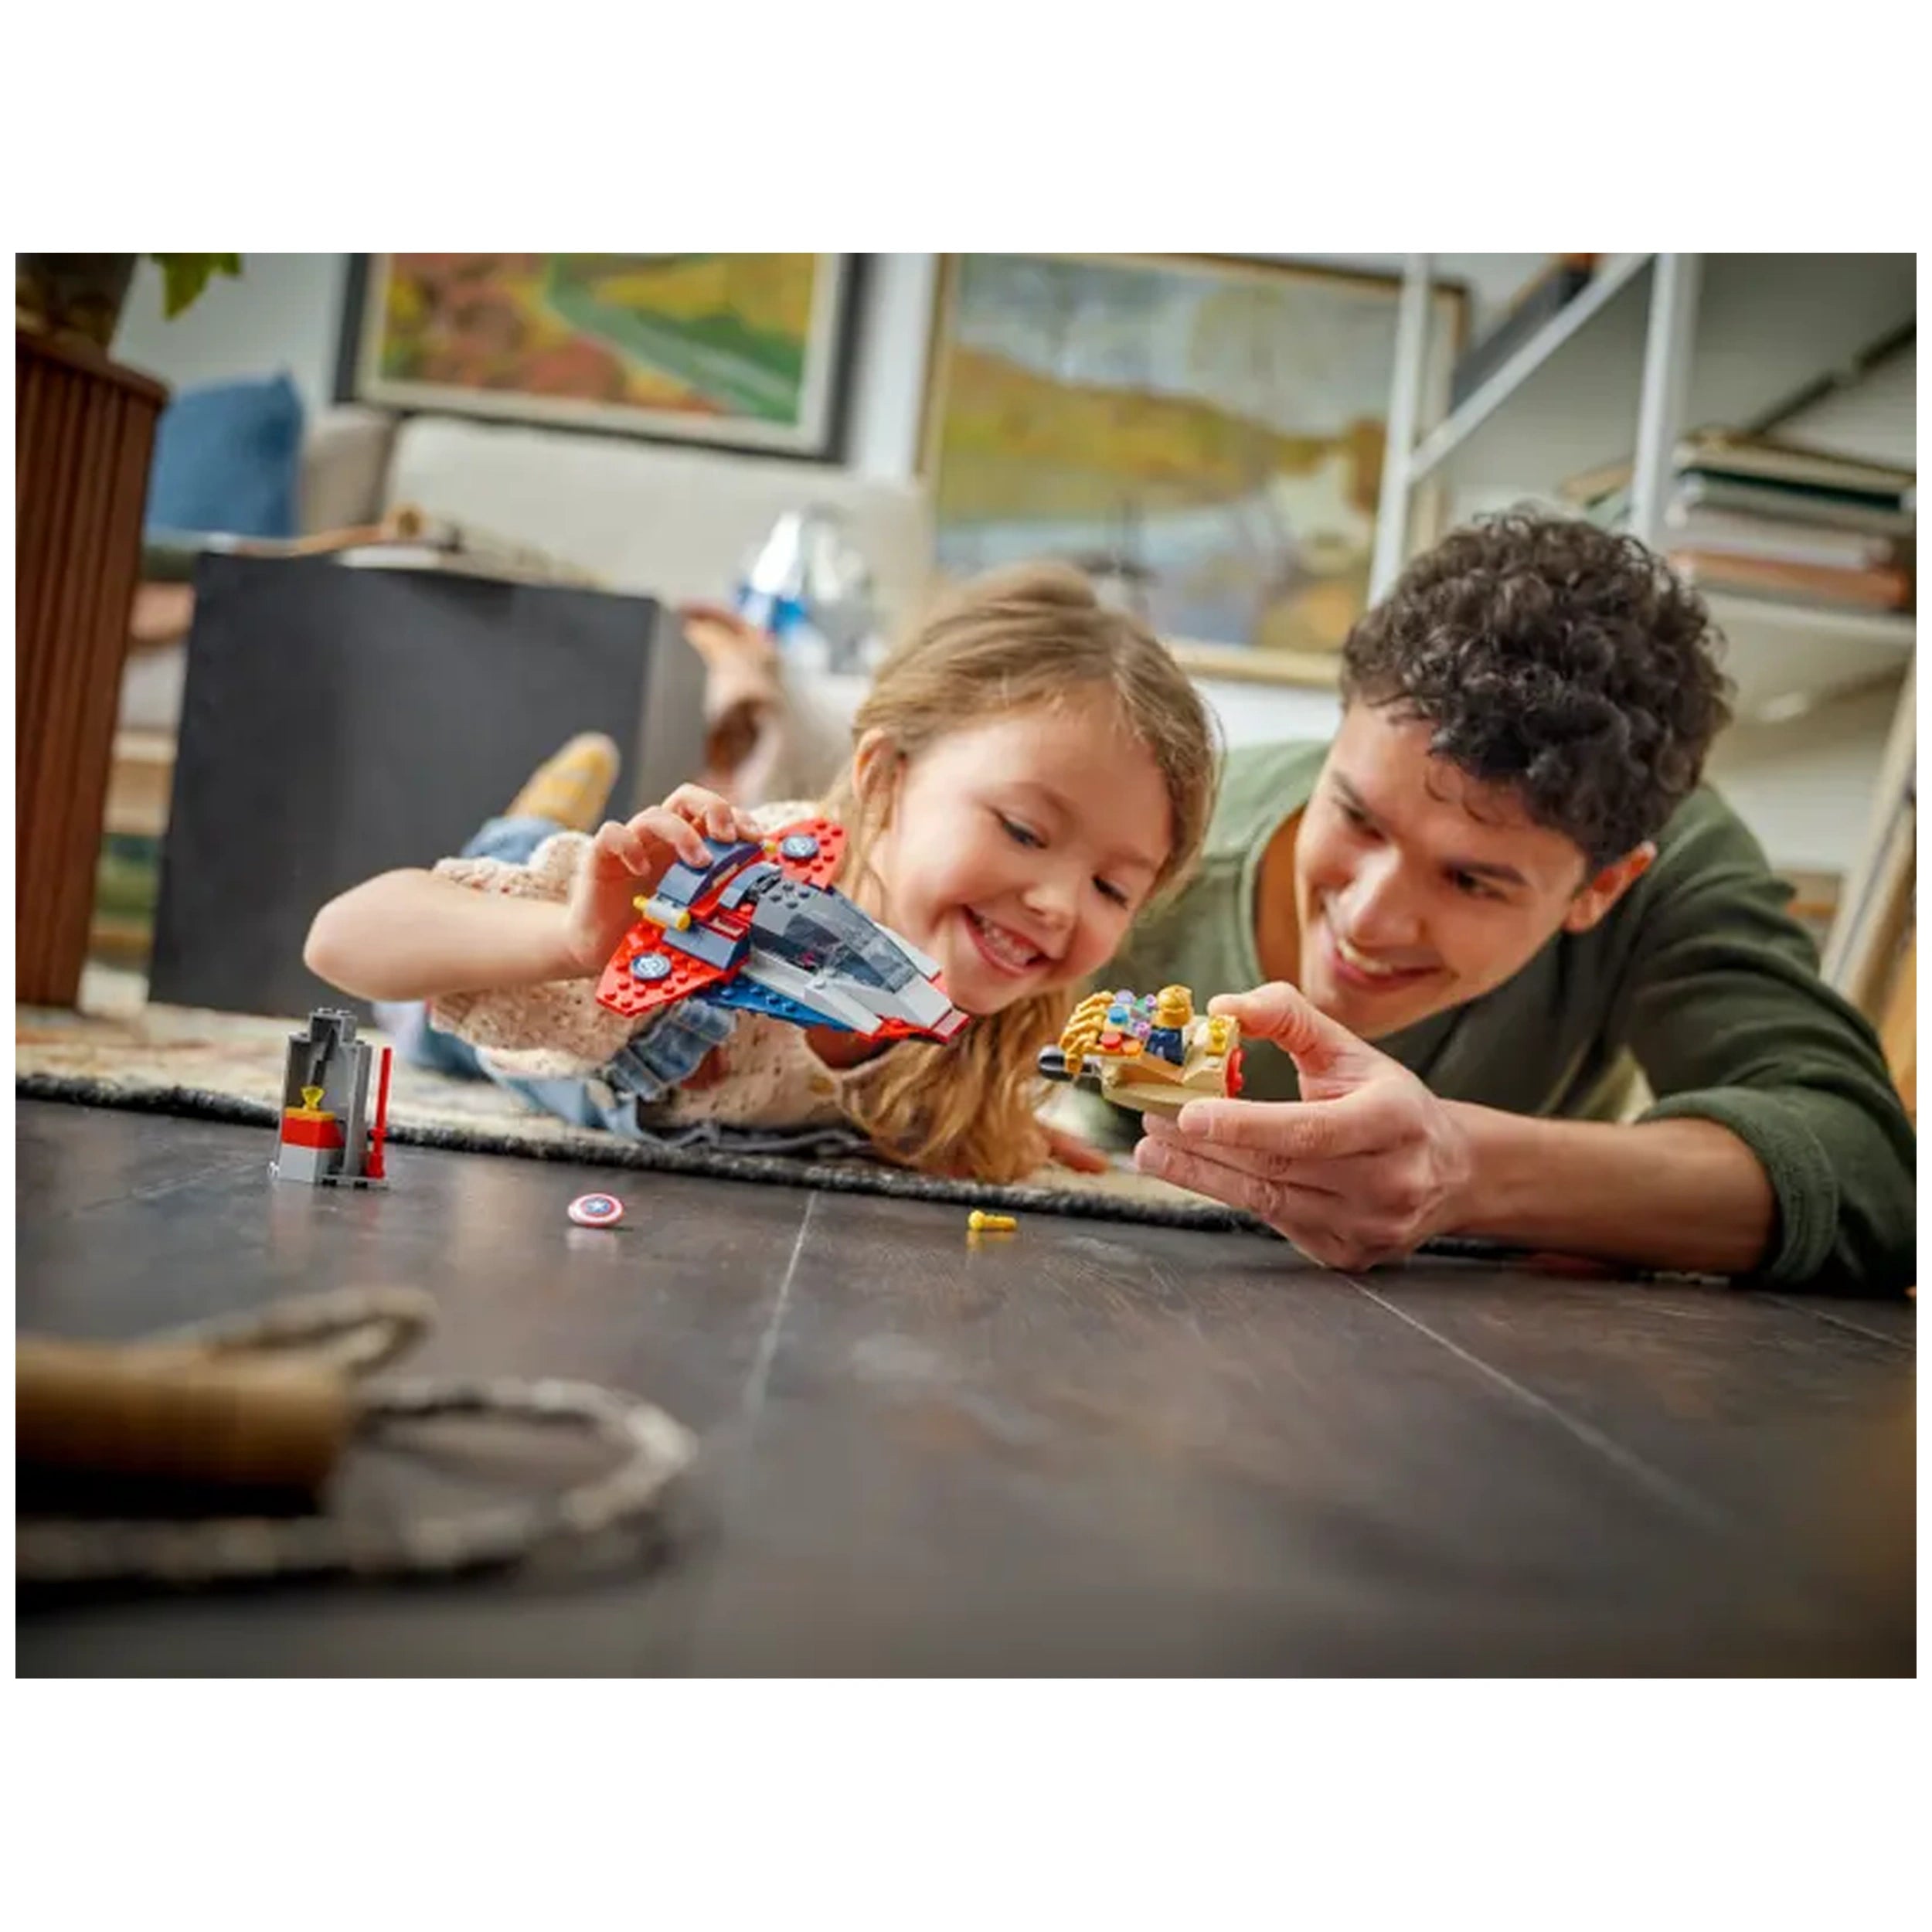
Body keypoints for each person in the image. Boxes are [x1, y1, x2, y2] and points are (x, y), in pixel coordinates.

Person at [1100, 513, 1915, 1292]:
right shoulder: (1147, 837)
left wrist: (1466, 1167)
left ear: (1603, 888)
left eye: (1470, 880)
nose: (1371, 919)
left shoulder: (1676, 857)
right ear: (1341, 733)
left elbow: (1871, 1178)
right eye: (1356, 815)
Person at [303, 563, 1218, 1184]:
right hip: (536, 979)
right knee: (433, 1015)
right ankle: (537, 816)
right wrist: (573, 937)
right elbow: (342, 935)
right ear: (884, 779)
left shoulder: (996, 1012)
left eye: (1112, 888)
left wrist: (996, 1126)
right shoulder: (736, 888)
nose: (1059, 903)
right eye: (1023, 829)